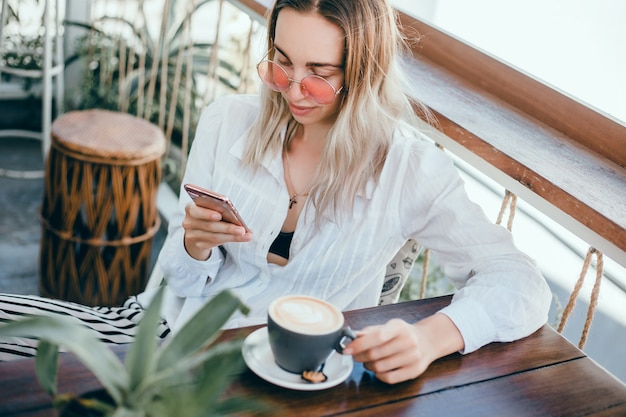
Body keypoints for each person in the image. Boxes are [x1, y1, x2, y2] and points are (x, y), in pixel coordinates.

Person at [0, 0, 551, 384]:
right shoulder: (227, 122)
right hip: (163, 332)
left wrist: (433, 336)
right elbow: (174, 282)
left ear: (363, 73)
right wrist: (192, 246)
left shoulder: (407, 171)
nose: (292, 89)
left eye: (318, 73)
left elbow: (520, 281)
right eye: (281, 63)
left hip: (291, 373)